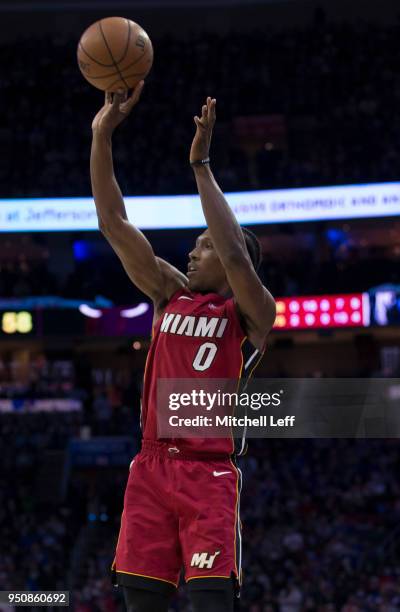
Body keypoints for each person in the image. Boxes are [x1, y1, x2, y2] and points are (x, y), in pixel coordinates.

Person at [90, 82, 276, 612]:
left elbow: (239, 259)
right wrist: (101, 136)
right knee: (139, 602)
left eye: (206, 246)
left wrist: (201, 167)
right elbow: (113, 222)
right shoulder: (170, 293)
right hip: (150, 468)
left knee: (212, 603)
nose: (194, 254)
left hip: (208, 474)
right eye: (194, 245)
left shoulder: (252, 315)